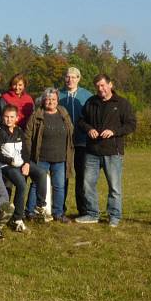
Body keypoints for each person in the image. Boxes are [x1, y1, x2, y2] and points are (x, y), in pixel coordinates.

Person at [75, 74, 136, 227]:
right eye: (97, 86)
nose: (100, 89)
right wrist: (89, 129)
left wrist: (114, 131)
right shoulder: (91, 102)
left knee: (114, 187)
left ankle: (114, 216)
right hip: (92, 151)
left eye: (102, 85)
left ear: (110, 84)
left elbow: (131, 125)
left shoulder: (122, 103)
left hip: (113, 152)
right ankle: (92, 214)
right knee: (87, 184)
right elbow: (81, 121)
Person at [0, 105, 48, 232]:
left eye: (12, 117)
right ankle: (18, 218)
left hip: (21, 162)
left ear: (16, 118)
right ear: (2, 117)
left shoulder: (19, 131)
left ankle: (40, 206)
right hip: (7, 165)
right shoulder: (0, 133)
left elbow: (25, 151)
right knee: (21, 184)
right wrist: (11, 161)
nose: (9, 119)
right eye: (6, 117)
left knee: (41, 173)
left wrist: (27, 163)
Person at [24, 88, 75, 224]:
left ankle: (58, 213)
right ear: (43, 100)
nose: (50, 102)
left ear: (57, 100)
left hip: (60, 158)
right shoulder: (37, 115)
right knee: (36, 184)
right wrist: (28, 156)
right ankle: (30, 212)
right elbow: (28, 136)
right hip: (41, 158)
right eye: (47, 99)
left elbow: (71, 130)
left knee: (59, 186)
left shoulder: (64, 113)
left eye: (53, 99)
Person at [58, 66, 93, 216]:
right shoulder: (57, 95)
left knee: (82, 177)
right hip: (62, 144)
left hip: (82, 143)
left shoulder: (87, 96)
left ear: (79, 78)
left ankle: (83, 209)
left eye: (73, 77)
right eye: (67, 76)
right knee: (62, 177)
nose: (70, 80)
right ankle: (60, 209)